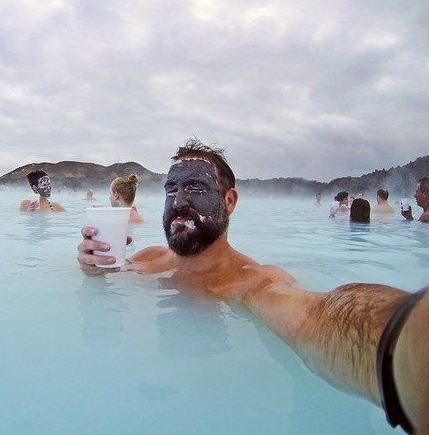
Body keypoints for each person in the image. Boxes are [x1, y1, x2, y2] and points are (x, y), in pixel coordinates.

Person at [77, 139, 428, 433]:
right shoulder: (147, 257)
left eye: (196, 188)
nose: (179, 201)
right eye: (171, 189)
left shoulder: (254, 282)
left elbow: (315, 319)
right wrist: (92, 264)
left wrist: (408, 348)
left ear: (230, 201)